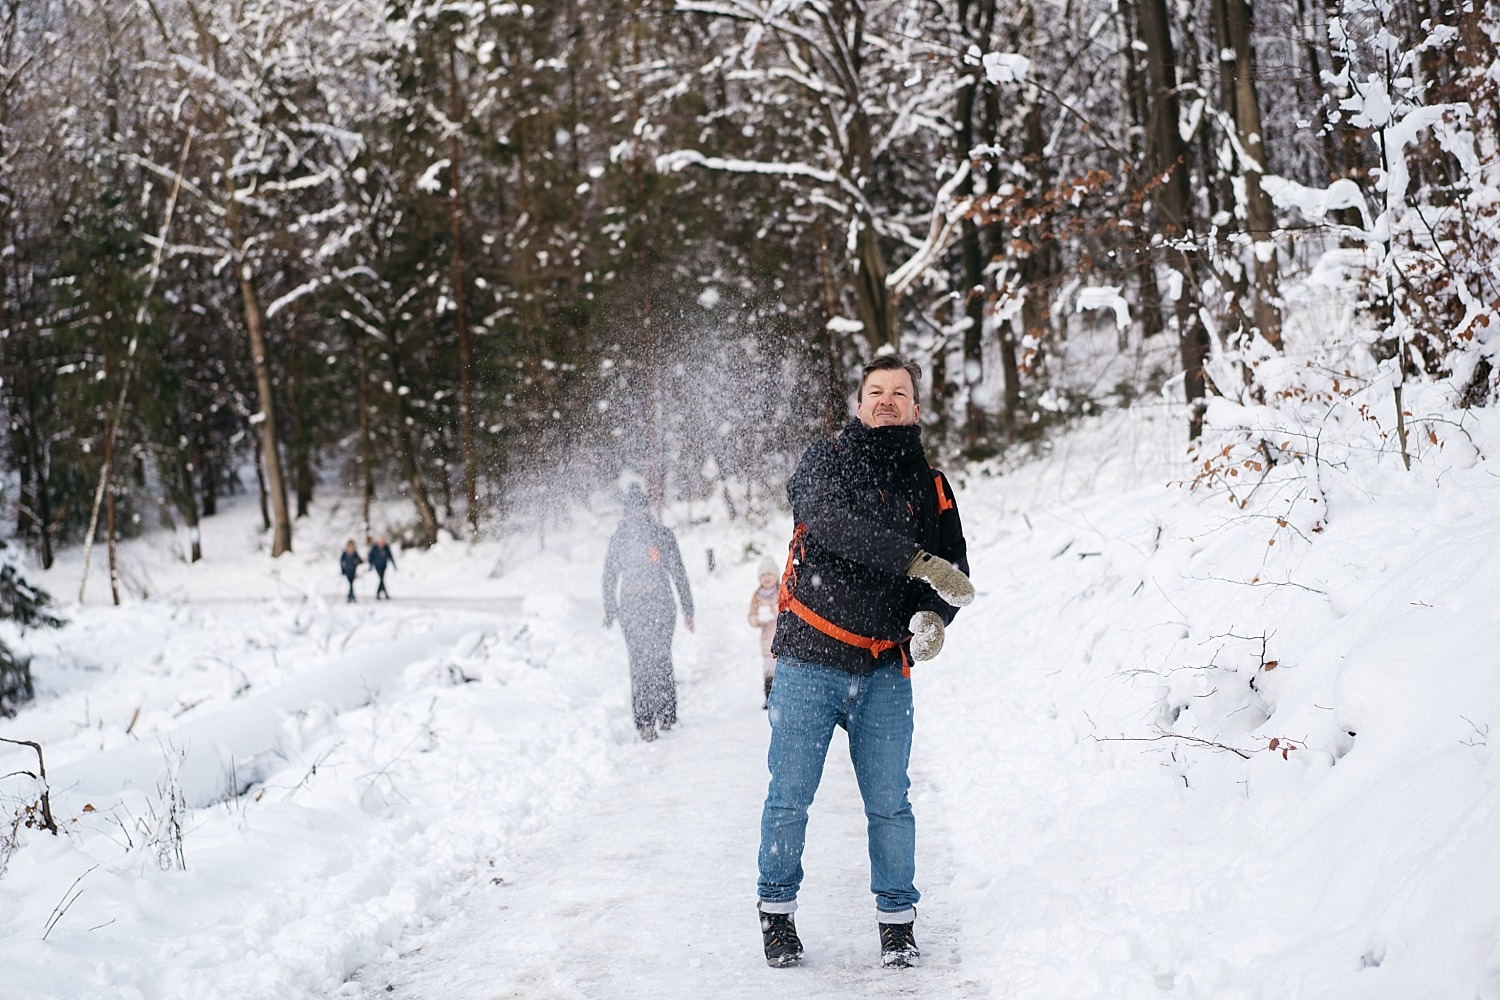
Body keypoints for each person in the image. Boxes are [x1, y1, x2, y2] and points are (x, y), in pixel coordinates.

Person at [756, 353, 973, 970]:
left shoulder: (931, 485)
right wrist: (911, 561)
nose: (886, 401)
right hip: (809, 662)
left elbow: (952, 571)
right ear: (858, 404)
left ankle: (897, 924)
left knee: (890, 803)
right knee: (790, 797)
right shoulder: (824, 462)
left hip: (884, 671)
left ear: (916, 407)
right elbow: (830, 526)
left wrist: (933, 616)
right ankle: (777, 915)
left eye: (898, 393)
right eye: (875, 391)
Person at [602, 483, 695, 742]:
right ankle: (663, 714)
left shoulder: (624, 537)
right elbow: (678, 573)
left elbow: (609, 577)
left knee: (642, 663)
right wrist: (688, 609)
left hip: (637, 605)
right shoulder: (657, 534)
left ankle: (647, 720)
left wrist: (610, 608)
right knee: (659, 658)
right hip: (655, 603)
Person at [747, 556, 780, 708]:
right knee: (768, 670)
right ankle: (768, 697)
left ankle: (781, 696)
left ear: (776, 577)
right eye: (763, 575)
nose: (766, 578)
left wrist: (774, 610)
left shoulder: (780, 593)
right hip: (767, 640)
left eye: (769, 574)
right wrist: (758, 619)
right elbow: (751, 616)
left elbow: (786, 611)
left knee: (780, 670)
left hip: (780, 638)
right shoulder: (757, 596)